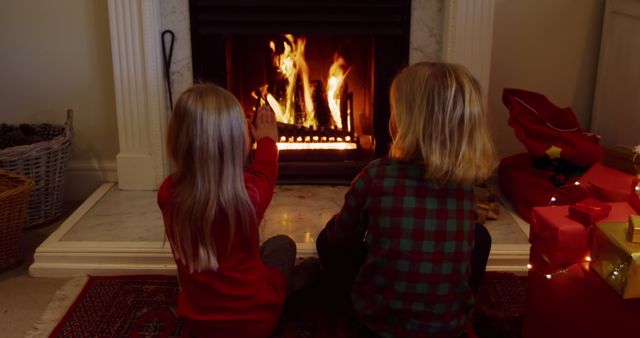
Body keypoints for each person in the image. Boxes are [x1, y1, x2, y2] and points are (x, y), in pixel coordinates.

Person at [316, 62, 496, 337]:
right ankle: (450, 307)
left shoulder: (377, 175)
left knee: (325, 239)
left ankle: (341, 302)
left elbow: (338, 238)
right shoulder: (464, 186)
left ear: (404, 120)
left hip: (376, 326)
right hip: (447, 329)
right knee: (480, 237)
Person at [157, 84, 297, 338]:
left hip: (201, 327)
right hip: (257, 323)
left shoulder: (168, 194)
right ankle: (297, 284)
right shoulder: (248, 197)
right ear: (236, 144)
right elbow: (265, 174)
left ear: (175, 139)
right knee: (283, 246)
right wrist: (267, 139)